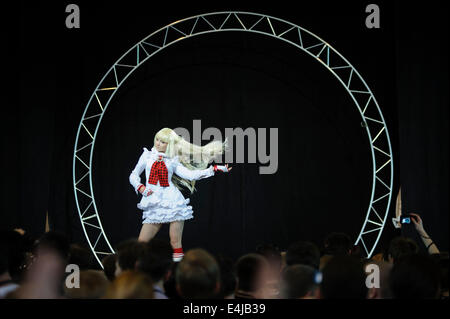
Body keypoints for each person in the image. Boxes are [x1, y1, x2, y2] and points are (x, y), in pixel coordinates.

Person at [129, 128, 232, 261]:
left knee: (175, 242)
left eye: (163, 142)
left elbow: (190, 174)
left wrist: (213, 169)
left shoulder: (172, 160)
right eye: (157, 139)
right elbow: (133, 174)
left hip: (173, 201)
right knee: (141, 242)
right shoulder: (147, 156)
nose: (158, 143)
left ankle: (177, 275)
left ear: (169, 144)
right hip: (153, 201)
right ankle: (136, 273)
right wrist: (140, 187)